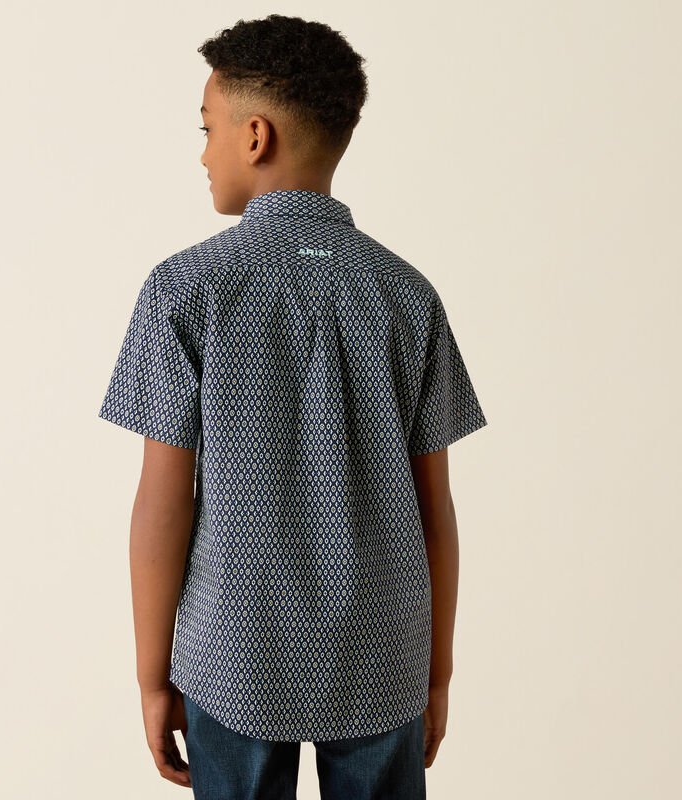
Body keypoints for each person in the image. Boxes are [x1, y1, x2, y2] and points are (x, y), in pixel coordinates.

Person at [97, 14, 488, 800]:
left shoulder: (184, 290)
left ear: (255, 137)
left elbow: (162, 504)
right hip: (384, 652)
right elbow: (435, 507)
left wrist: (152, 677)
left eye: (207, 128)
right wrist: (437, 672)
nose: (202, 152)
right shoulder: (407, 294)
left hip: (233, 651)